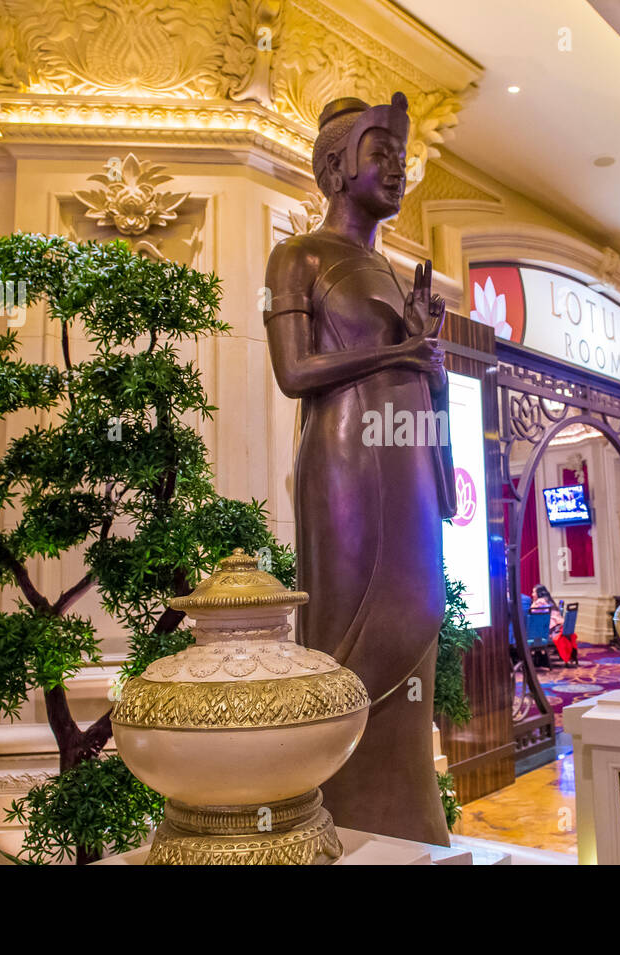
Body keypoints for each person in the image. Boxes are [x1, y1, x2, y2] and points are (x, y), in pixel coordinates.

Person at [263, 92, 456, 846]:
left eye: (402, 158)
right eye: (382, 153)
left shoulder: (387, 267)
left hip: (405, 458)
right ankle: (341, 818)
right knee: (350, 633)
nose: (397, 169)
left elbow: (418, 375)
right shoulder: (300, 257)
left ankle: (410, 818)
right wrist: (398, 351)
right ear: (337, 166)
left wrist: (427, 362)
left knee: (417, 614)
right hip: (344, 462)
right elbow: (294, 371)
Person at [531, 584, 577, 667]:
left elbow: (531, 614)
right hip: (560, 628)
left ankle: (535, 657)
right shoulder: (548, 600)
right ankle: (540, 657)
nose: (532, 594)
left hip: (551, 631)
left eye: (533, 592)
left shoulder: (540, 601)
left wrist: (533, 603)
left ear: (539, 593)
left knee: (530, 632)